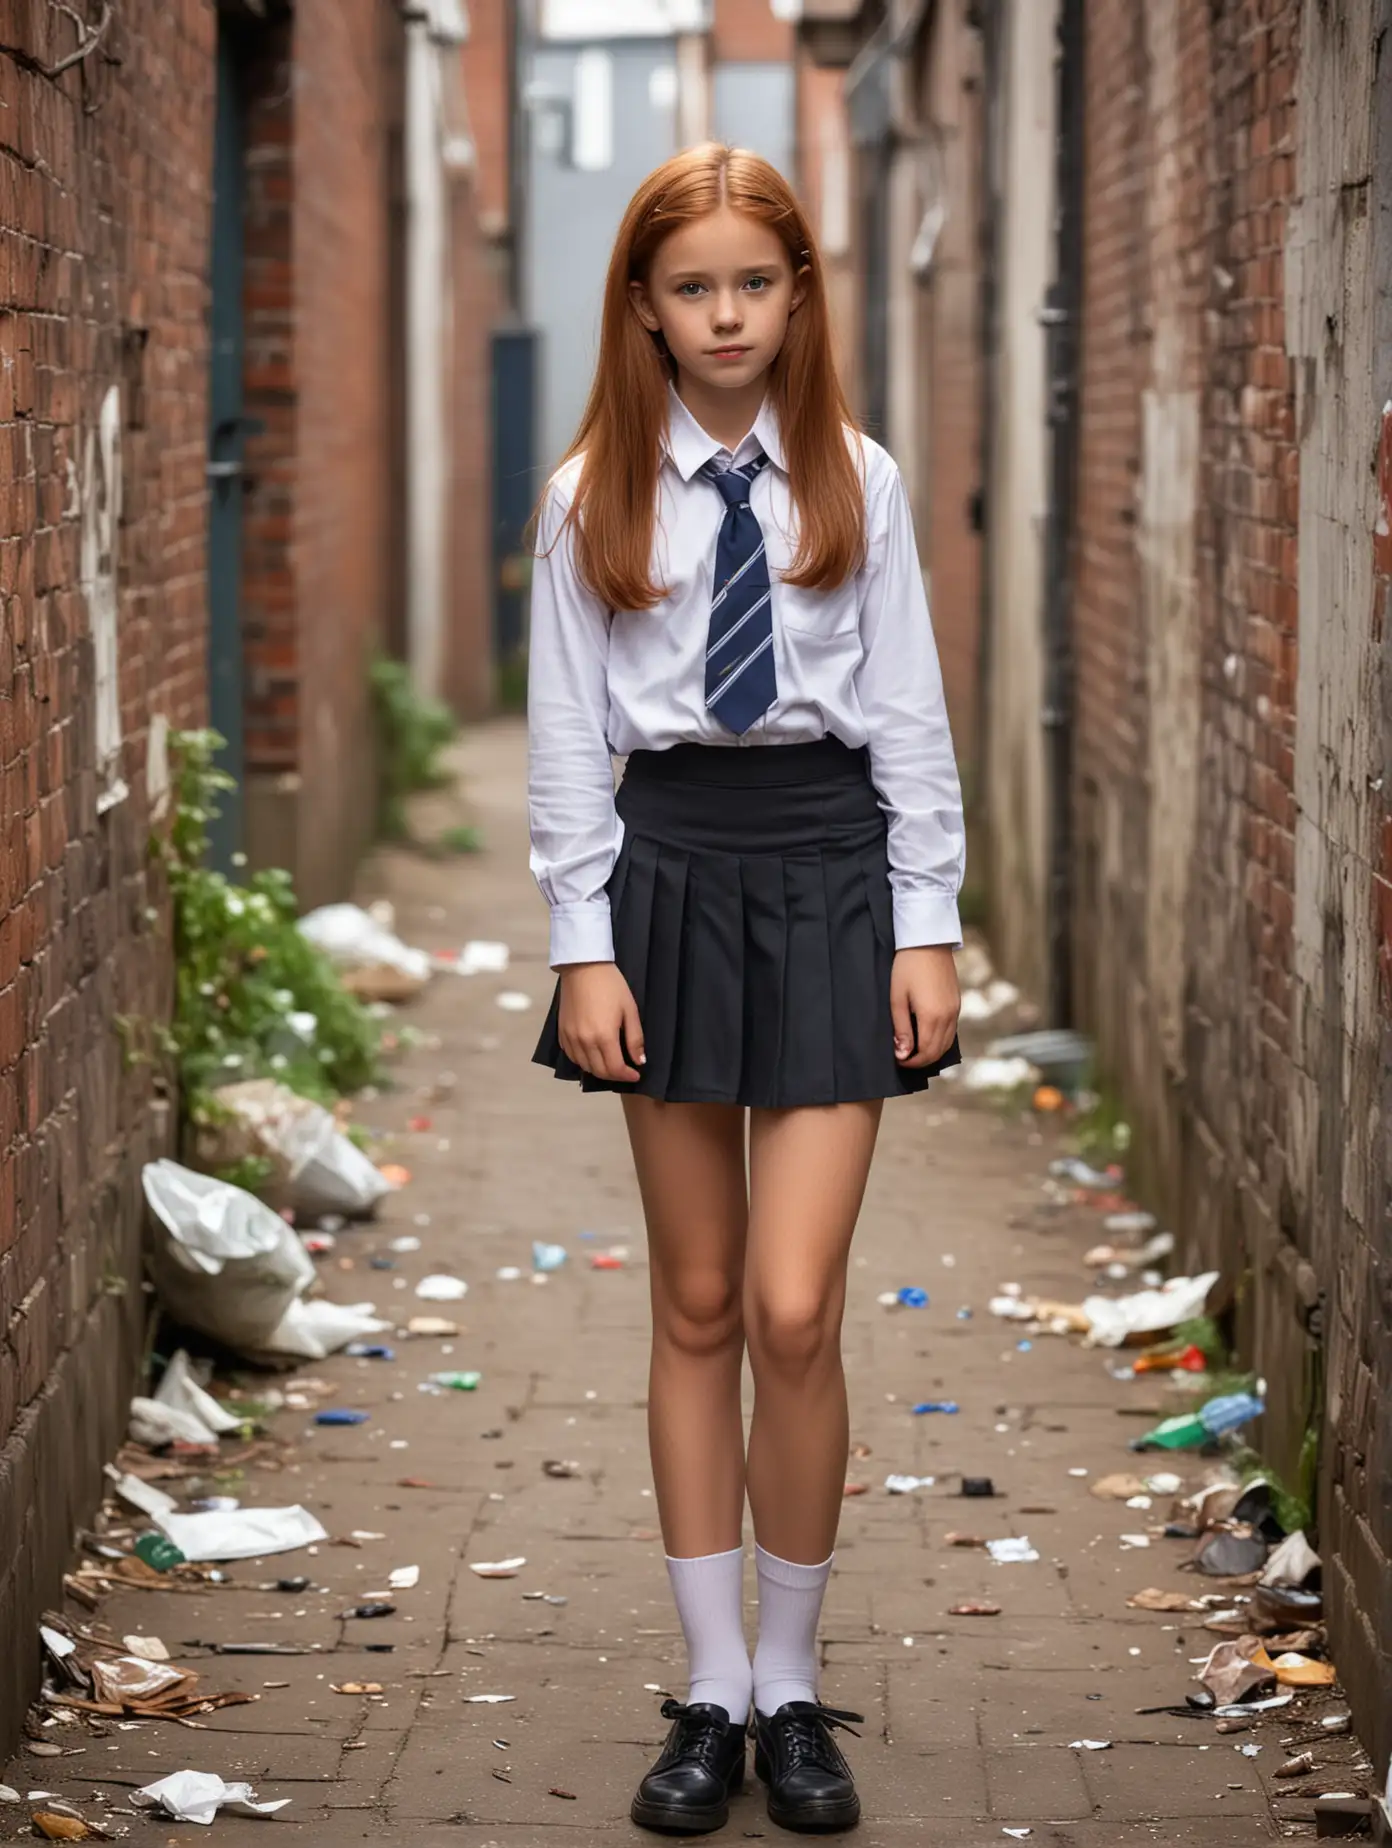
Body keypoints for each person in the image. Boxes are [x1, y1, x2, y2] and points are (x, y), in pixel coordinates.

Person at [527, 143, 964, 1836]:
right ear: (643, 304)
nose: (726, 314)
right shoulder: (587, 495)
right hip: (668, 879)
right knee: (698, 1302)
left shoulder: (856, 475)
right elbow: (571, 737)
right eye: (693, 286)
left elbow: (910, 701)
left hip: (834, 867)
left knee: (796, 1305)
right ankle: (711, 1689)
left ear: (800, 296)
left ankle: (797, 1683)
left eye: (755, 284)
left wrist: (927, 917)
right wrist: (582, 945)